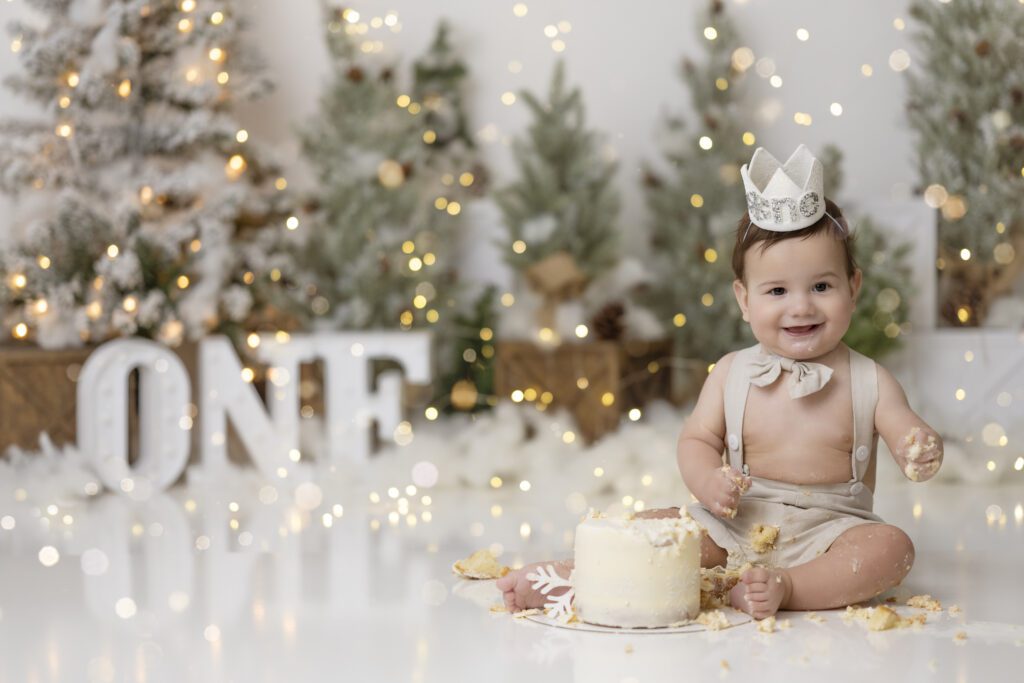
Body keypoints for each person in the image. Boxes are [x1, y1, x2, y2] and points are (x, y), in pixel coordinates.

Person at [497, 145, 942, 620]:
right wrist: (707, 480)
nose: (801, 307)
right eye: (777, 291)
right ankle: (565, 577)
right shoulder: (732, 372)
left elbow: (903, 429)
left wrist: (918, 446)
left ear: (852, 288)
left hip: (832, 532)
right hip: (734, 523)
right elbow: (697, 439)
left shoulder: (870, 379)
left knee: (891, 547)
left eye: (821, 286)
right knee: (654, 527)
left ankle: (788, 587)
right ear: (744, 299)